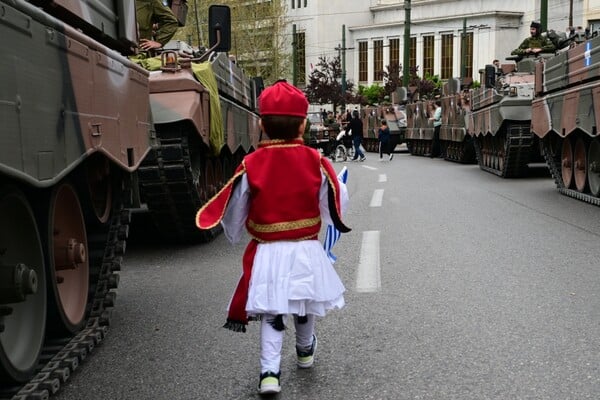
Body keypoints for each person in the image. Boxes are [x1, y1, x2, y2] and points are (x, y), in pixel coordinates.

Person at [195, 80, 351, 395]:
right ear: (303, 124)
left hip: (267, 252)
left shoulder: (251, 164)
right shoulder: (316, 162)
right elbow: (335, 200)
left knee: (272, 309)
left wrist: (236, 232)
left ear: (262, 125)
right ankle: (305, 351)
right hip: (305, 248)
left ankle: (269, 372)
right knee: (304, 301)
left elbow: (236, 206)